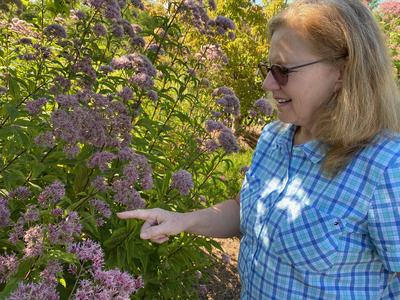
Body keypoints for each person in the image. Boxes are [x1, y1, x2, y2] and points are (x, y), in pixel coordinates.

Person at [118, 0, 400, 298]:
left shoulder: (386, 166)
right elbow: (244, 212)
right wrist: (183, 220)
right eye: (268, 68)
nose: (267, 83)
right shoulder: (273, 138)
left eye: (282, 70)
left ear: (342, 71)